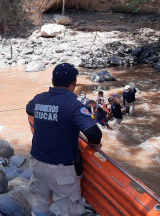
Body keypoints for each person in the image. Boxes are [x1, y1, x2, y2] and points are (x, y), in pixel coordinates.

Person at [26, 63, 102, 216]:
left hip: (37, 163)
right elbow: (94, 135)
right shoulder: (74, 106)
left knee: (39, 204)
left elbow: (29, 109)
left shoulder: (39, 99)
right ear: (74, 83)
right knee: (69, 210)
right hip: (63, 170)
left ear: (53, 81)